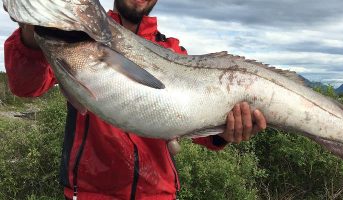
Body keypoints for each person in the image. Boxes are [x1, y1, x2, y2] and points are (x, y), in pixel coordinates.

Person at [4, 0, 267, 199]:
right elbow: (27, 87)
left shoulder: (174, 51)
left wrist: (224, 133)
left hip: (159, 194)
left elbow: (191, 124)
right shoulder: (76, 33)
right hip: (89, 193)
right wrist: (31, 35)